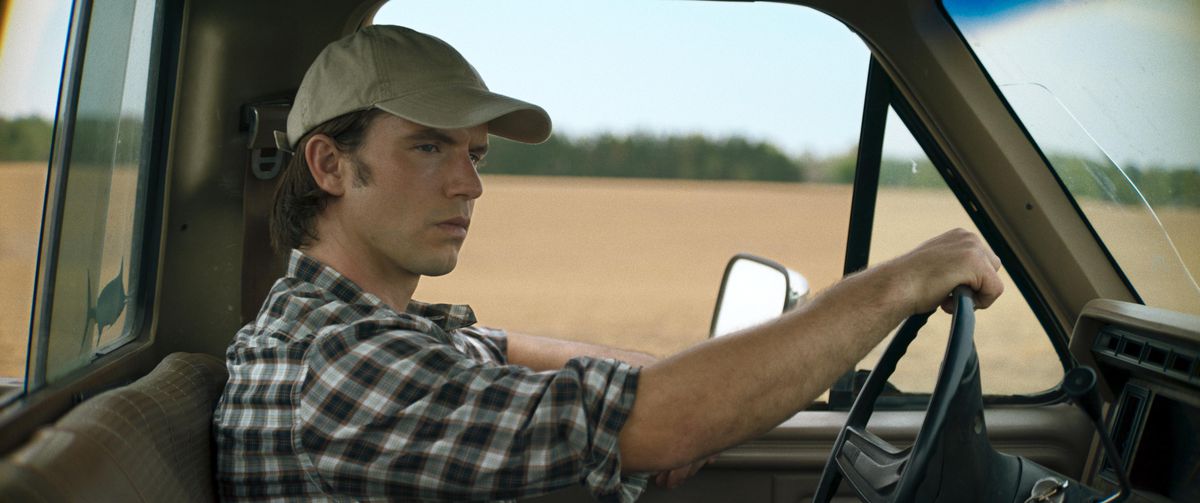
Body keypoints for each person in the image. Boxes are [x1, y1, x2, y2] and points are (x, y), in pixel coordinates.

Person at [213, 25, 1004, 502]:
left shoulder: (371, 332)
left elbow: (509, 348)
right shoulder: (341, 365)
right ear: (329, 165)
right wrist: (900, 281)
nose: (470, 184)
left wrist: (685, 399)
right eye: (428, 148)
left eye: (475, 154)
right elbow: (650, 416)